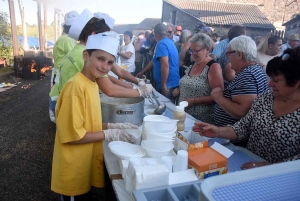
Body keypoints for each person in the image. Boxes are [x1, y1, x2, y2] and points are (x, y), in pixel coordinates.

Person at [51, 31, 138, 200]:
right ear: (85, 55)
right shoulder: (75, 88)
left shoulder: (92, 83)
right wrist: (109, 133)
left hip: (83, 163)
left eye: (110, 62)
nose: (104, 66)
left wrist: (113, 126)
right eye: (100, 59)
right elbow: (72, 136)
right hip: (73, 169)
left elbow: (88, 124)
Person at [193, 47, 300, 168]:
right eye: (270, 79)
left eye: (276, 80)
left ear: (296, 82)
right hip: (246, 162)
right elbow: (243, 128)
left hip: (282, 176)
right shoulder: (265, 99)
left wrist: (269, 166)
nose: (270, 84)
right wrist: (217, 131)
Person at [213, 35, 269, 130]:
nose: (228, 58)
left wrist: (218, 98)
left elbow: (242, 112)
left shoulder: (247, 75)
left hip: (232, 139)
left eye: (228, 54)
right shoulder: (254, 70)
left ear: (239, 55)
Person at [174, 33, 224, 123]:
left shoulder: (213, 67)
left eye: (196, 51)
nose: (193, 54)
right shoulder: (194, 64)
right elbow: (189, 83)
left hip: (200, 120)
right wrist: (179, 89)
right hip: (185, 117)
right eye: (191, 51)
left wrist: (194, 101)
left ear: (207, 49)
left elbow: (218, 97)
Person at [136, 23, 180, 103]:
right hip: (172, 82)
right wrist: (143, 72)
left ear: (155, 33)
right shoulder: (169, 42)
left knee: (166, 109)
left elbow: (165, 65)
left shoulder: (161, 44)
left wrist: (163, 85)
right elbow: (154, 60)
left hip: (168, 84)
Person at [49, 10, 78, 123]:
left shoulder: (65, 38)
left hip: (58, 72)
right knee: (61, 99)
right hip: (62, 73)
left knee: (57, 97)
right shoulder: (66, 40)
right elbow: (76, 57)